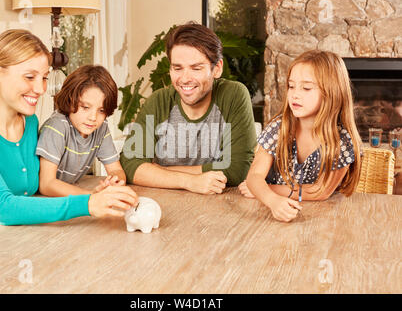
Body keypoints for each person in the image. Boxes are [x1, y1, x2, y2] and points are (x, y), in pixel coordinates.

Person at [0, 29, 138, 226]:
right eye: (30, 77)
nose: (41, 89)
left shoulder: (29, 123)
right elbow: (3, 207)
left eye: (44, 78)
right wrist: (88, 202)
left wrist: (99, 195)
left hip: (19, 235)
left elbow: (31, 192)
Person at [120, 22, 257, 194]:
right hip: (162, 204)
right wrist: (190, 181)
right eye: (177, 68)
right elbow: (130, 165)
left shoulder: (234, 95)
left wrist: (157, 171)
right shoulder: (158, 101)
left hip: (220, 207)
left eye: (196, 68)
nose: (185, 79)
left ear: (217, 69)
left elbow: (238, 169)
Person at [239, 50, 362, 222]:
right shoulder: (279, 127)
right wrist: (273, 201)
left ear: (332, 92)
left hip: (321, 217)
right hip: (264, 212)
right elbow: (253, 177)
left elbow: (321, 192)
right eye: (291, 86)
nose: (295, 94)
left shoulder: (341, 141)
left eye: (306, 88)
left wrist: (266, 190)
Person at [36, 65, 126, 197]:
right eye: (85, 107)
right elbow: (46, 184)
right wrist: (92, 196)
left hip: (69, 194)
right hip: (41, 200)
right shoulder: (57, 127)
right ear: (70, 100)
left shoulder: (100, 128)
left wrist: (115, 181)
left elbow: (116, 169)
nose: (93, 118)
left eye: (101, 110)